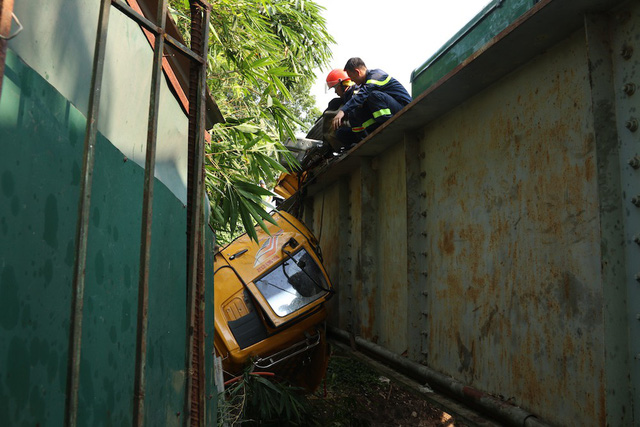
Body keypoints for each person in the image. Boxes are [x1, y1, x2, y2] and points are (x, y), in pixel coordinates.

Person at [331, 58, 412, 139]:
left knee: (373, 95)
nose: (351, 80)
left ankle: (388, 127)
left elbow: (363, 94)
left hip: (404, 109)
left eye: (351, 76)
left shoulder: (376, 75)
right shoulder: (365, 83)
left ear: (357, 72)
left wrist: (342, 111)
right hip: (393, 109)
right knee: (355, 108)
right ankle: (367, 135)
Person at [324, 69, 359, 149]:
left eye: (335, 88)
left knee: (341, 133)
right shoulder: (347, 96)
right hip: (359, 129)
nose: (335, 92)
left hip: (364, 130)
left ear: (342, 85)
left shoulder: (356, 92)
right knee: (341, 133)